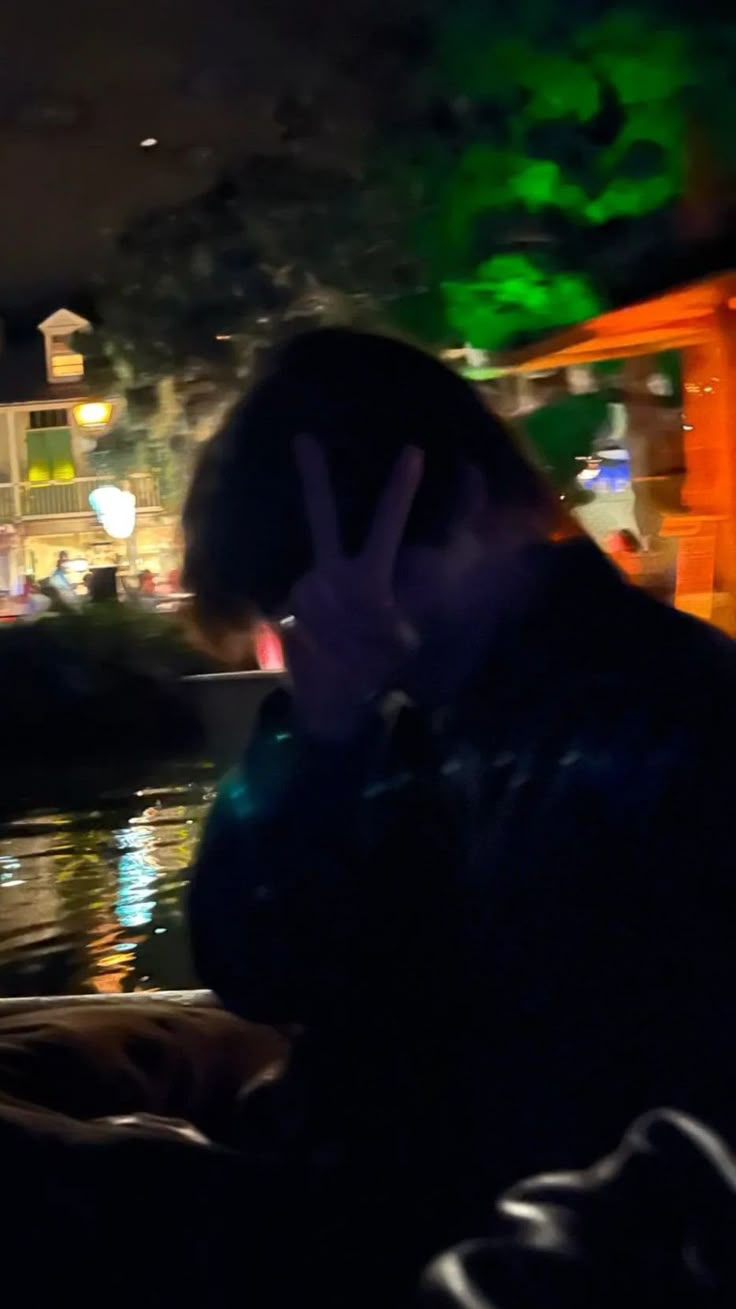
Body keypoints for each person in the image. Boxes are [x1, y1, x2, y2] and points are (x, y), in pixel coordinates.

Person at [182, 327, 736, 1302]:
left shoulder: (663, 725)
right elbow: (252, 962)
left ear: (467, 503)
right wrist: (318, 735)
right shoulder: (424, 725)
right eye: (296, 613)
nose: (338, 625)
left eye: (355, 567)